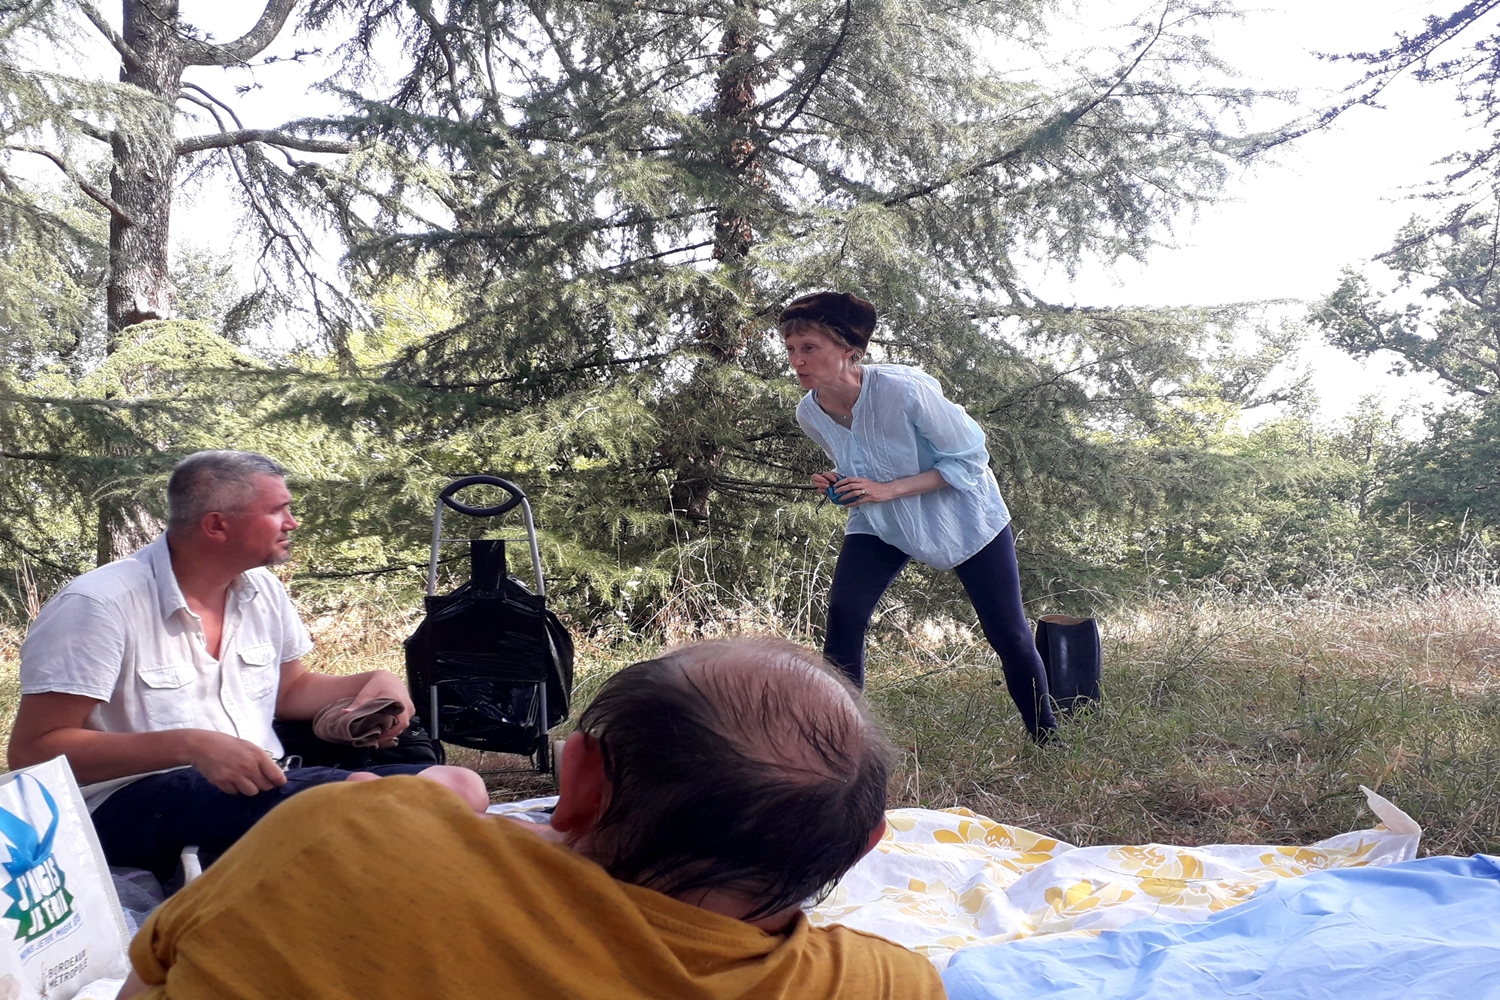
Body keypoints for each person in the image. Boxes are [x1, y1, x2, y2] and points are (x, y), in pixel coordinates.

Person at [117, 638, 945, 1000]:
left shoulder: (340, 832)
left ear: (579, 780)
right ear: (866, 843)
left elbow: (147, 977)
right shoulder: (885, 986)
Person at [8, 450, 482, 881]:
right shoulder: (98, 604)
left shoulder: (263, 591)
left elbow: (289, 691)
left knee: (461, 785)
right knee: (364, 802)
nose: (292, 522)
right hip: (127, 803)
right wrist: (192, 746)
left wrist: (376, 681)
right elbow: (35, 752)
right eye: (277, 510)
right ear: (217, 526)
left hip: (262, 781)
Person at [782, 291, 1058, 741]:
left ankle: (1049, 739)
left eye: (810, 348)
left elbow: (969, 460)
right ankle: (842, 747)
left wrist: (885, 488)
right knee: (845, 616)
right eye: (791, 350)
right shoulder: (810, 412)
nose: (798, 361)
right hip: (882, 522)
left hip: (965, 517)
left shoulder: (903, 391)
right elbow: (862, 469)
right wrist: (841, 485)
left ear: (850, 349)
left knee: (1007, 633)